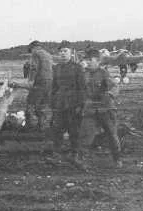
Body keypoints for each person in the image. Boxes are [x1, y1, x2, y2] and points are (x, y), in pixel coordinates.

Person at [48, 41, 87, 169]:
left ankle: (75, 155)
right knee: (57, 130)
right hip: (60, 104)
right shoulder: (57, 68)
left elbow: (82, 88)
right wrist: (52, 102)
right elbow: (54, 87)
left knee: (74, 131)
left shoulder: (77, 68)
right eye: (61, 51)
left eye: (66, 51)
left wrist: (80, 106)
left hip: (73, 105)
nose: (63, 54)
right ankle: (56, 155)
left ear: (71, 53)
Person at [81, 48, 123, 168]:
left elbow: (115, 86)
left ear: (98, 61)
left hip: (106, 109)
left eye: (90, 60)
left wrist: (110, 94)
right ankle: (82, 161)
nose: (88, 62)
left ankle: (117, 159)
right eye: (86, 60)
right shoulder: (84, 74)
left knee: (112, 134)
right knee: (86, 135)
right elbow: (81, 91)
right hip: (91, 109)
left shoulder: (104, 73)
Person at [25, 40, 53, 131]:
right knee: (43, 104)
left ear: (32, 48)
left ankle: (30, 126)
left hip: (39, 82)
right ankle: (43, 126)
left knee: (30, 103)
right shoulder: (48, 54)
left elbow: (34, 68)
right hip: (49, 82)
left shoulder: (35, 54)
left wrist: (31, 81)